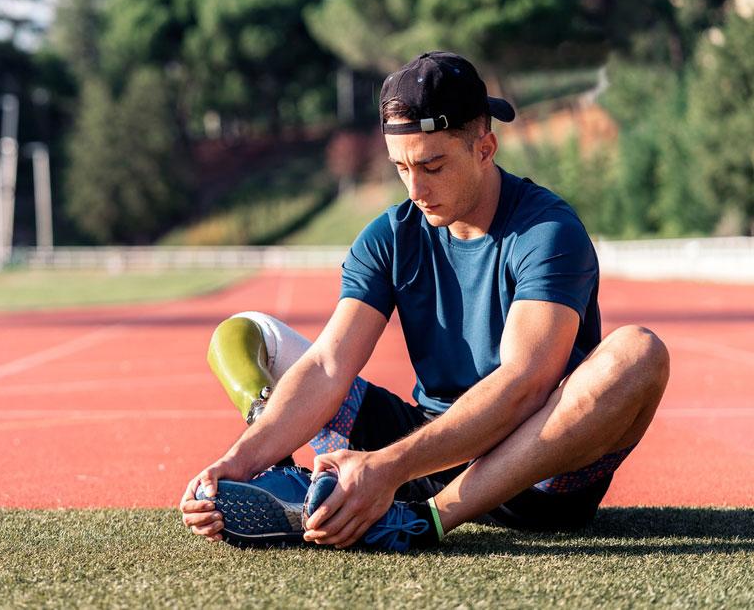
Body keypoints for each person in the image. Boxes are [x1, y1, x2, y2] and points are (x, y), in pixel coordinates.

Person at [179, 51, 670, 551]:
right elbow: (329, 363)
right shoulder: (390, 236)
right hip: (428, 451)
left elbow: (524, 384)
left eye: (432, 166)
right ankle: (287, 480)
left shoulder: (547, 232)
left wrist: (386, 466)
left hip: (534, 471)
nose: (415, 188)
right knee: (248, 332)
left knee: (638, 353)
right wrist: (239, 462)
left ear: (485, 148)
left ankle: (423, 521)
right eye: (400, 167)